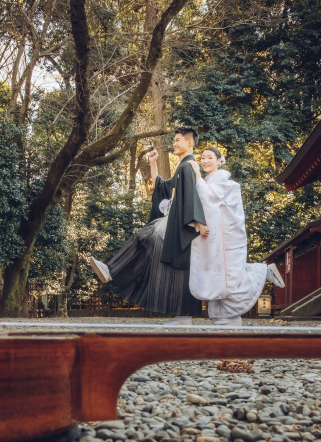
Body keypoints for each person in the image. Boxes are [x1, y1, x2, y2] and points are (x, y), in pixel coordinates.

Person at [89, 127, 208, 324]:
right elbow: (162, 187)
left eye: (178, 140)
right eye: (174, 140)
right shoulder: (183, 167)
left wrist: (199, 222)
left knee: (144, 238)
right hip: (180, 223)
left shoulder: (188, 166)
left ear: (189, 143)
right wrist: (153, 163)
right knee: (176, 271)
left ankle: (112, 271)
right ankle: (184, 316)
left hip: (183, 224)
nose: (174, 143)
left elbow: (193, 198)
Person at [188, 147, 285, 326]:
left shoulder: (226, 183)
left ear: (219, 161)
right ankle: (225, 316)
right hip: (215, 238)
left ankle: (260, 272)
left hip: (229, 238)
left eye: (210, 157)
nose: (205, 161)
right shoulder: (207, 182)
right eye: (202, 158)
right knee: (216, 274)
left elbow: (208, 198)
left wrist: (196, 174)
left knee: (231, 277)